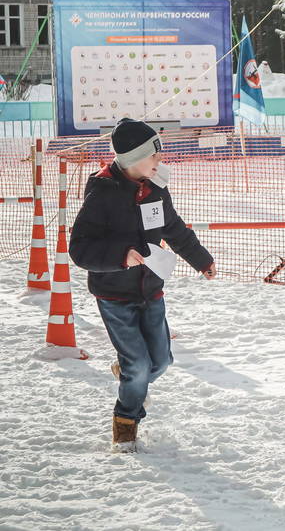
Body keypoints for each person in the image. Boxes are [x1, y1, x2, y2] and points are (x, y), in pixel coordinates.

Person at [69, 118, 217, 451]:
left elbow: (175, 230)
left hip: (151, 290)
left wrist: (202, 260)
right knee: (138, 369)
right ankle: (125, 423)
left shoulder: (154, 189)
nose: (159, 161)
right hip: (114, 294)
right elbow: (79, 249)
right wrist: (123, 256)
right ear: (135, 158)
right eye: (154, 156)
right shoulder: (102, 193)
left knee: (160, 362)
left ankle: (128, 375)